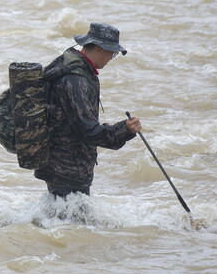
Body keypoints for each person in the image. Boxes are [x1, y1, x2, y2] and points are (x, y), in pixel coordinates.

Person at [36, 23, 142, 199]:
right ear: (100, 49)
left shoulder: (68, 63)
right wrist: (125, 129)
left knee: (62, 223)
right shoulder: (76, 79)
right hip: (68, 168)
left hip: (58, 165)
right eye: (112, 53)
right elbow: (89, 131)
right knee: (71, 223)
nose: (111, 58)